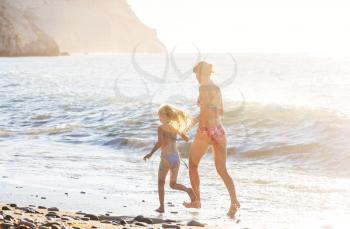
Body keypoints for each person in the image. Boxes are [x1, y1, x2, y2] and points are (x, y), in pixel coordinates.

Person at [183, 61, 240, 216]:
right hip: (219, 130)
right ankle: (234, 202)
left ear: (201, 73)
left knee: (193, 165)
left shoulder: (203, 87)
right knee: (222, 170)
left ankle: (197, 201)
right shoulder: (216, 88)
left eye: (196, 74)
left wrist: (191, 124)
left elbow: (206, 111)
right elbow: (220, 112)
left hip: (205, 131)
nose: (196, 78)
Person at [143, 104, 196, 213]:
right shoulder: (176, 127)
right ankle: (187, 189)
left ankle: (162, 207)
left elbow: (160, 142)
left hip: (166, 158)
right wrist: (181, 134)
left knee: (160, 183)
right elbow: (186, 139)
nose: (159, 118)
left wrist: (150, 153)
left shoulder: (161, 128)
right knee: (173, 184)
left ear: (165, 116)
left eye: (160, 116)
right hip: (176, 158)